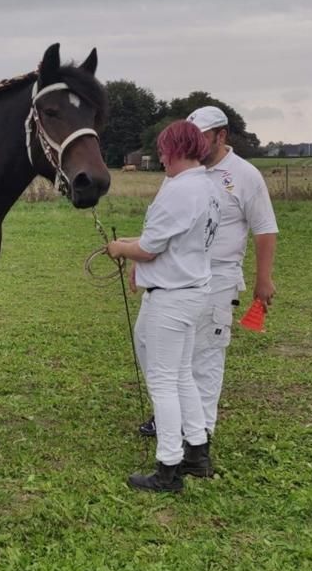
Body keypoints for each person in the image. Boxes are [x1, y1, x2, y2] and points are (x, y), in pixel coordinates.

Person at [135, 105, 278, 477]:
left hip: (215, 276)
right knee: (166, 354)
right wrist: (145, 269)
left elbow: (265, 228)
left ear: (221, 136)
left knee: (203, 359)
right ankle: (179, 427)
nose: (198, 143)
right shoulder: (181, 176)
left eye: (204, 136)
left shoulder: (245, 176)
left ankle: (198, 438)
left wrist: (264, 279)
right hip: (175, 272)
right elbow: (163, 229)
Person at [107, 120, 221, 493]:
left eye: (163, 150)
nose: (160, 157)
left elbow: (150, 249)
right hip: (192, 290)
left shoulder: (178, 191)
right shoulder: (206, 186)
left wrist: (120, 248)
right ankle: (197, 450)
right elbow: (166, 239)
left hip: (171, 296)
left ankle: (168, 466)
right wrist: (131, 241)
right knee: (182, 373)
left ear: (174, 151)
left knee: (162, 379)